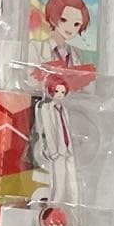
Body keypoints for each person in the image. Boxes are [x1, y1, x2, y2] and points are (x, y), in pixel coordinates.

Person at [35, 76, 80, 205]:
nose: (60, 95)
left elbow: (66, 128)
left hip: (68, 149)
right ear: (51, 91)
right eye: (57, 91)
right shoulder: (46, 108)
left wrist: (70, 147)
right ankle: (55, 207)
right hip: (57, 152)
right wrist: (53, 151)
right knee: (59, 183)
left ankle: (75, 205)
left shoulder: (64, 109)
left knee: (72, 182)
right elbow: (48, 130)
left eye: (63, 92)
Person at [28, 0, 89, 69]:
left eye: (76, 24)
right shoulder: (35, 47)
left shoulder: (78, 53)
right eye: (63, 20)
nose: (70, 27)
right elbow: (30, 74)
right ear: (52, 20)